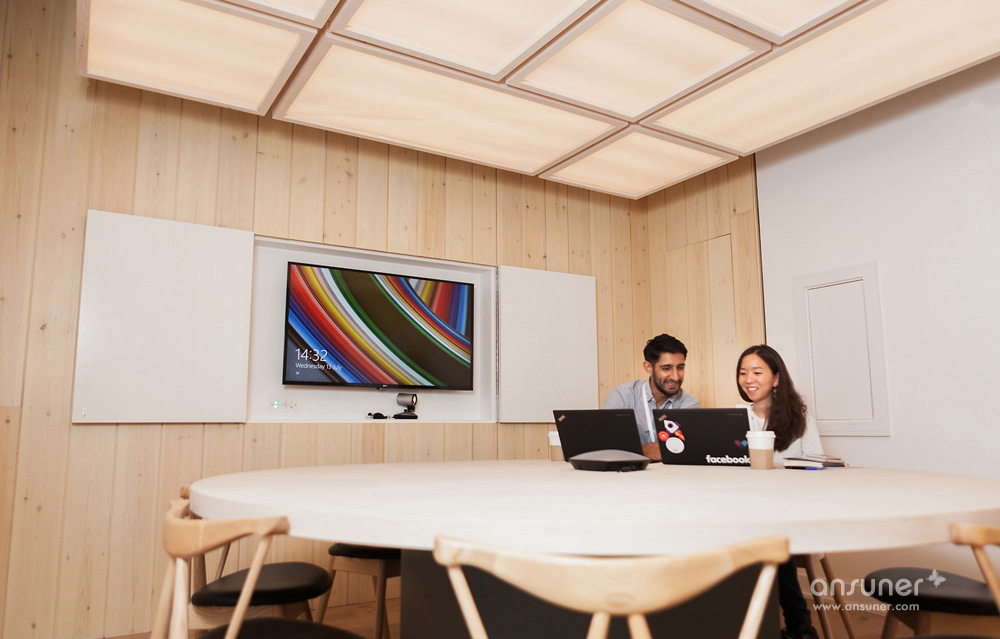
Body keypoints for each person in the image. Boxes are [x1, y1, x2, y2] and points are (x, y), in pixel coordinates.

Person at [736, 344, 823, 639]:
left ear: (775, 378)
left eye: (757, 372)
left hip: (789, 510)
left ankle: (798, 624)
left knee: (771, 535)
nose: (748, 379)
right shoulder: (735, 417)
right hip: (745, 509)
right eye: (743, 372)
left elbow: (817, 467)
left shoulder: (799, 418)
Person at [602, 333, 699, 460]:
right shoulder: (621, 396)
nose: (675, 377)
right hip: (629, 470)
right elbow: (606, 446)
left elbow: (685, 450)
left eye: (680, 368)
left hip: (672, 471)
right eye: (666, 368)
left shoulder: (689, 403)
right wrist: (643, 451)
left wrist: (632, 450)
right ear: (649, 368)